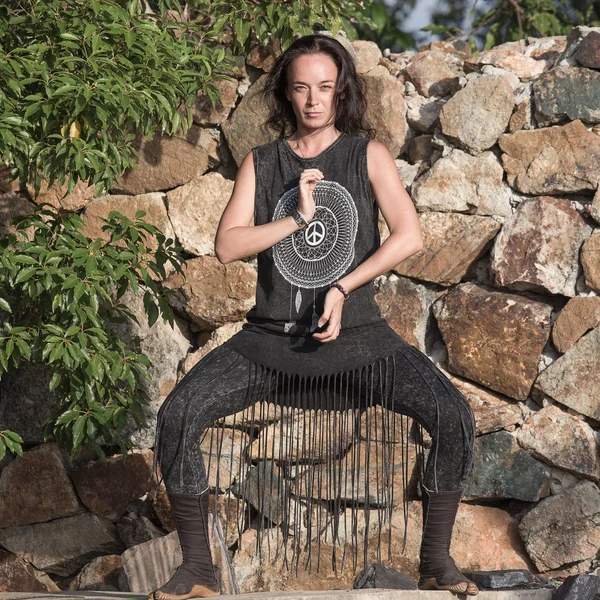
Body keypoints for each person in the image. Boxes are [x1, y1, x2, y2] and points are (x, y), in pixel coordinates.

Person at [146, 33, 479, 600]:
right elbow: (228, 245)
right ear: (285, 95)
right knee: (179, 415)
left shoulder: (365, 155)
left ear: (341, 91)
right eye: (300, 88)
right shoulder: (263, 162)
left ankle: (435, 561)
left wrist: (343, 286)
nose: (313, 100)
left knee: (453, 415)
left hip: (362, 342)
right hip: (269, 343)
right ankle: (198, 572)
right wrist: (297, 221)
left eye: (325, 87)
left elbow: (410, 235)